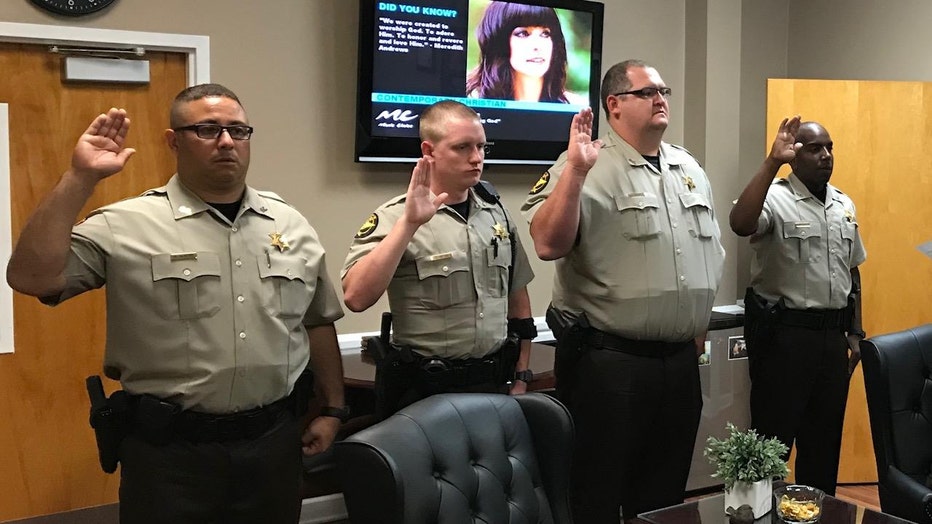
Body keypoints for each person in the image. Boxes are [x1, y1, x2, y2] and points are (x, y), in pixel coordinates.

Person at [5, 84, 347, 523]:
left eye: (238, 131)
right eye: (207, 129)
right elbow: (30, 278)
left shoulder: (290, 223)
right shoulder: (127, 224)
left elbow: (317, 321)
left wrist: (333, 407)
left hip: (272, 444)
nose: (226, 142)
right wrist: (80, 179)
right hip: (171, 455)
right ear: (174, 141)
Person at [522, 59, 725, 523]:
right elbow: (547, 243)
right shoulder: (585, 163)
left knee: (664, 494)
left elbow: (710, 254)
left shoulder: (687, 166)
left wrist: (693, 326)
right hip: (609, 363)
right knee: (597, 489)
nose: (661, 98)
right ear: (614, 105)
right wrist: (574, 174)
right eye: (647, 91)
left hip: (678, 363)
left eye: (664, 90)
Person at [342, 100, 536, 418]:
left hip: (492, 384)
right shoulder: (396, 217)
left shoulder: (496, 213)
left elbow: (517, 297)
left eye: (482, 147)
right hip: (425, 391)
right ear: (429, 151)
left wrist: (522, 375)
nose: (477, 158)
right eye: (462, 147)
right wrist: (409, 225)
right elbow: (356, 297)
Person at [730, 116, 866, 496]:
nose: (826, 155)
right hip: (783, 338)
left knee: (823, 445)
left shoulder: (843, 203)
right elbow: (740, 223)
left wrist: (855, 333)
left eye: (830, 147)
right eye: (814, 148)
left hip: (830, 339)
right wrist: (771, 162)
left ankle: (815, 514)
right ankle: (760, 515)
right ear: (793, 155)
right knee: (771, 445)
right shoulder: (774, 197)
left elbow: (852, 271)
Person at [466, 1, 581, 103]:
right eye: (523, 34)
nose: (537, 46)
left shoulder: (574, 106)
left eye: (545, 34)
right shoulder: (471, 101)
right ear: (499, 41)